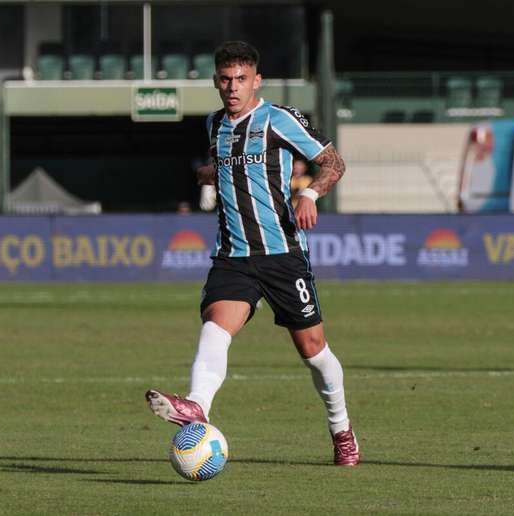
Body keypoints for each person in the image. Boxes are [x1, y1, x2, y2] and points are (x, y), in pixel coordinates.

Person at [145, 41, 359, 466]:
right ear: (216, 82)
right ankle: (196, 406)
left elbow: (334, 163)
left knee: (314, 351)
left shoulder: (279, 120)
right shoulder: (213, 126)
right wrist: (211, 173)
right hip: (233, 256)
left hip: (282, 254)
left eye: (241, 79)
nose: (233, 87)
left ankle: (342, 431)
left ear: (256, 80)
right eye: (225, 79)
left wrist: (312, 194)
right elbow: (222, 165)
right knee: (215, 326)